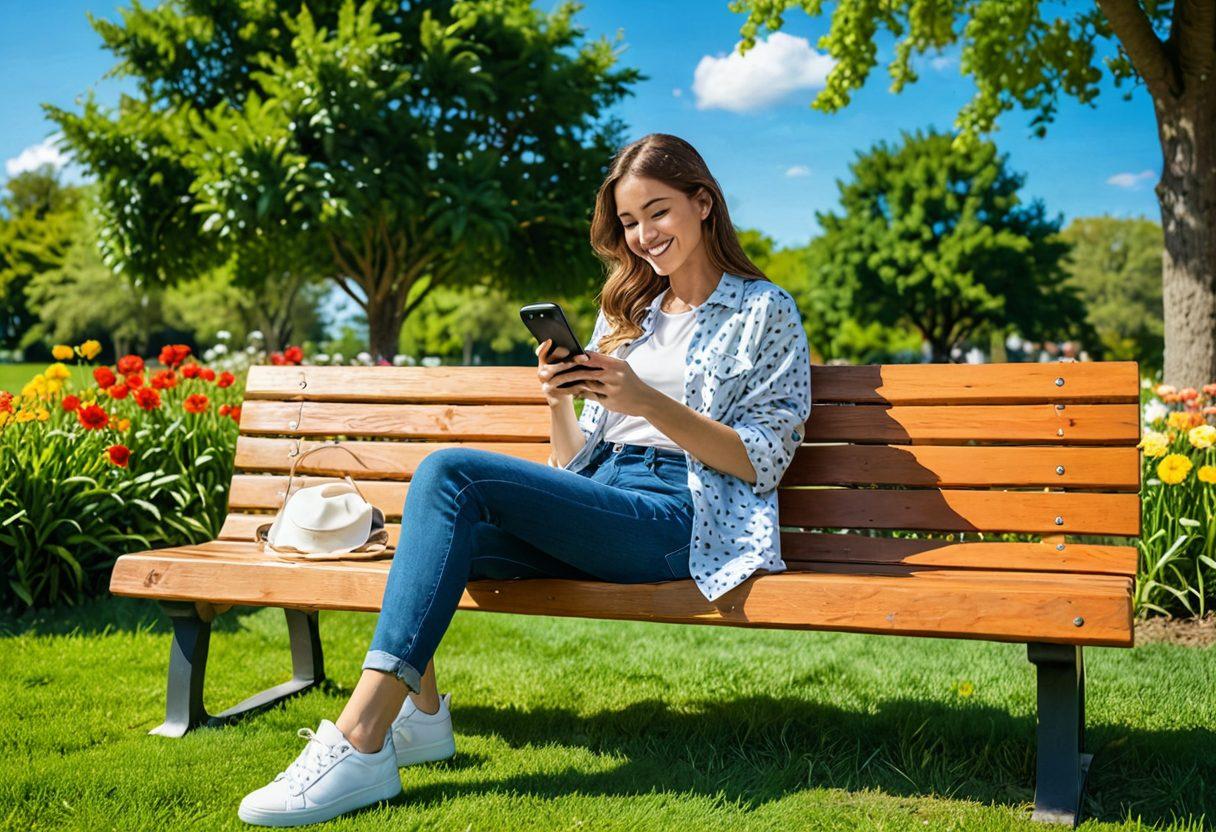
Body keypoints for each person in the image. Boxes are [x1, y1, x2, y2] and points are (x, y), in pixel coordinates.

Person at [237, 133, 812, 826]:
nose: (644, 236)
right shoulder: (628, 312)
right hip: (605, 494)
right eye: (629, 222)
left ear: (703, 203)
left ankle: (359, 740)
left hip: (678, 515)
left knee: (448, 472)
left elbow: (764, 458)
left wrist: (646, 402)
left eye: (658, 212)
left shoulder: (763, 310)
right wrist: (558, 400)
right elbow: (573, 465)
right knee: (442, 541)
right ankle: (422, 720)